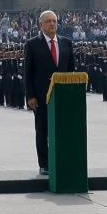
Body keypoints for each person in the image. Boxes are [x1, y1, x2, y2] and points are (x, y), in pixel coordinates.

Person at [24, 10, 75, 175]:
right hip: (40, 96)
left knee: (61, 130)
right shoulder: (32, 45)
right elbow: (28, 72)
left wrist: (72, 94)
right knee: (42, 130)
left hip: (62, 96)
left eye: (54, 21)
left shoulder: (66, 43)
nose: (52, 24)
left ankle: (60, 159)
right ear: (41, 25)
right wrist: (30, 96)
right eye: (48, 21)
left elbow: (71, 71)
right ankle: (44, 163)